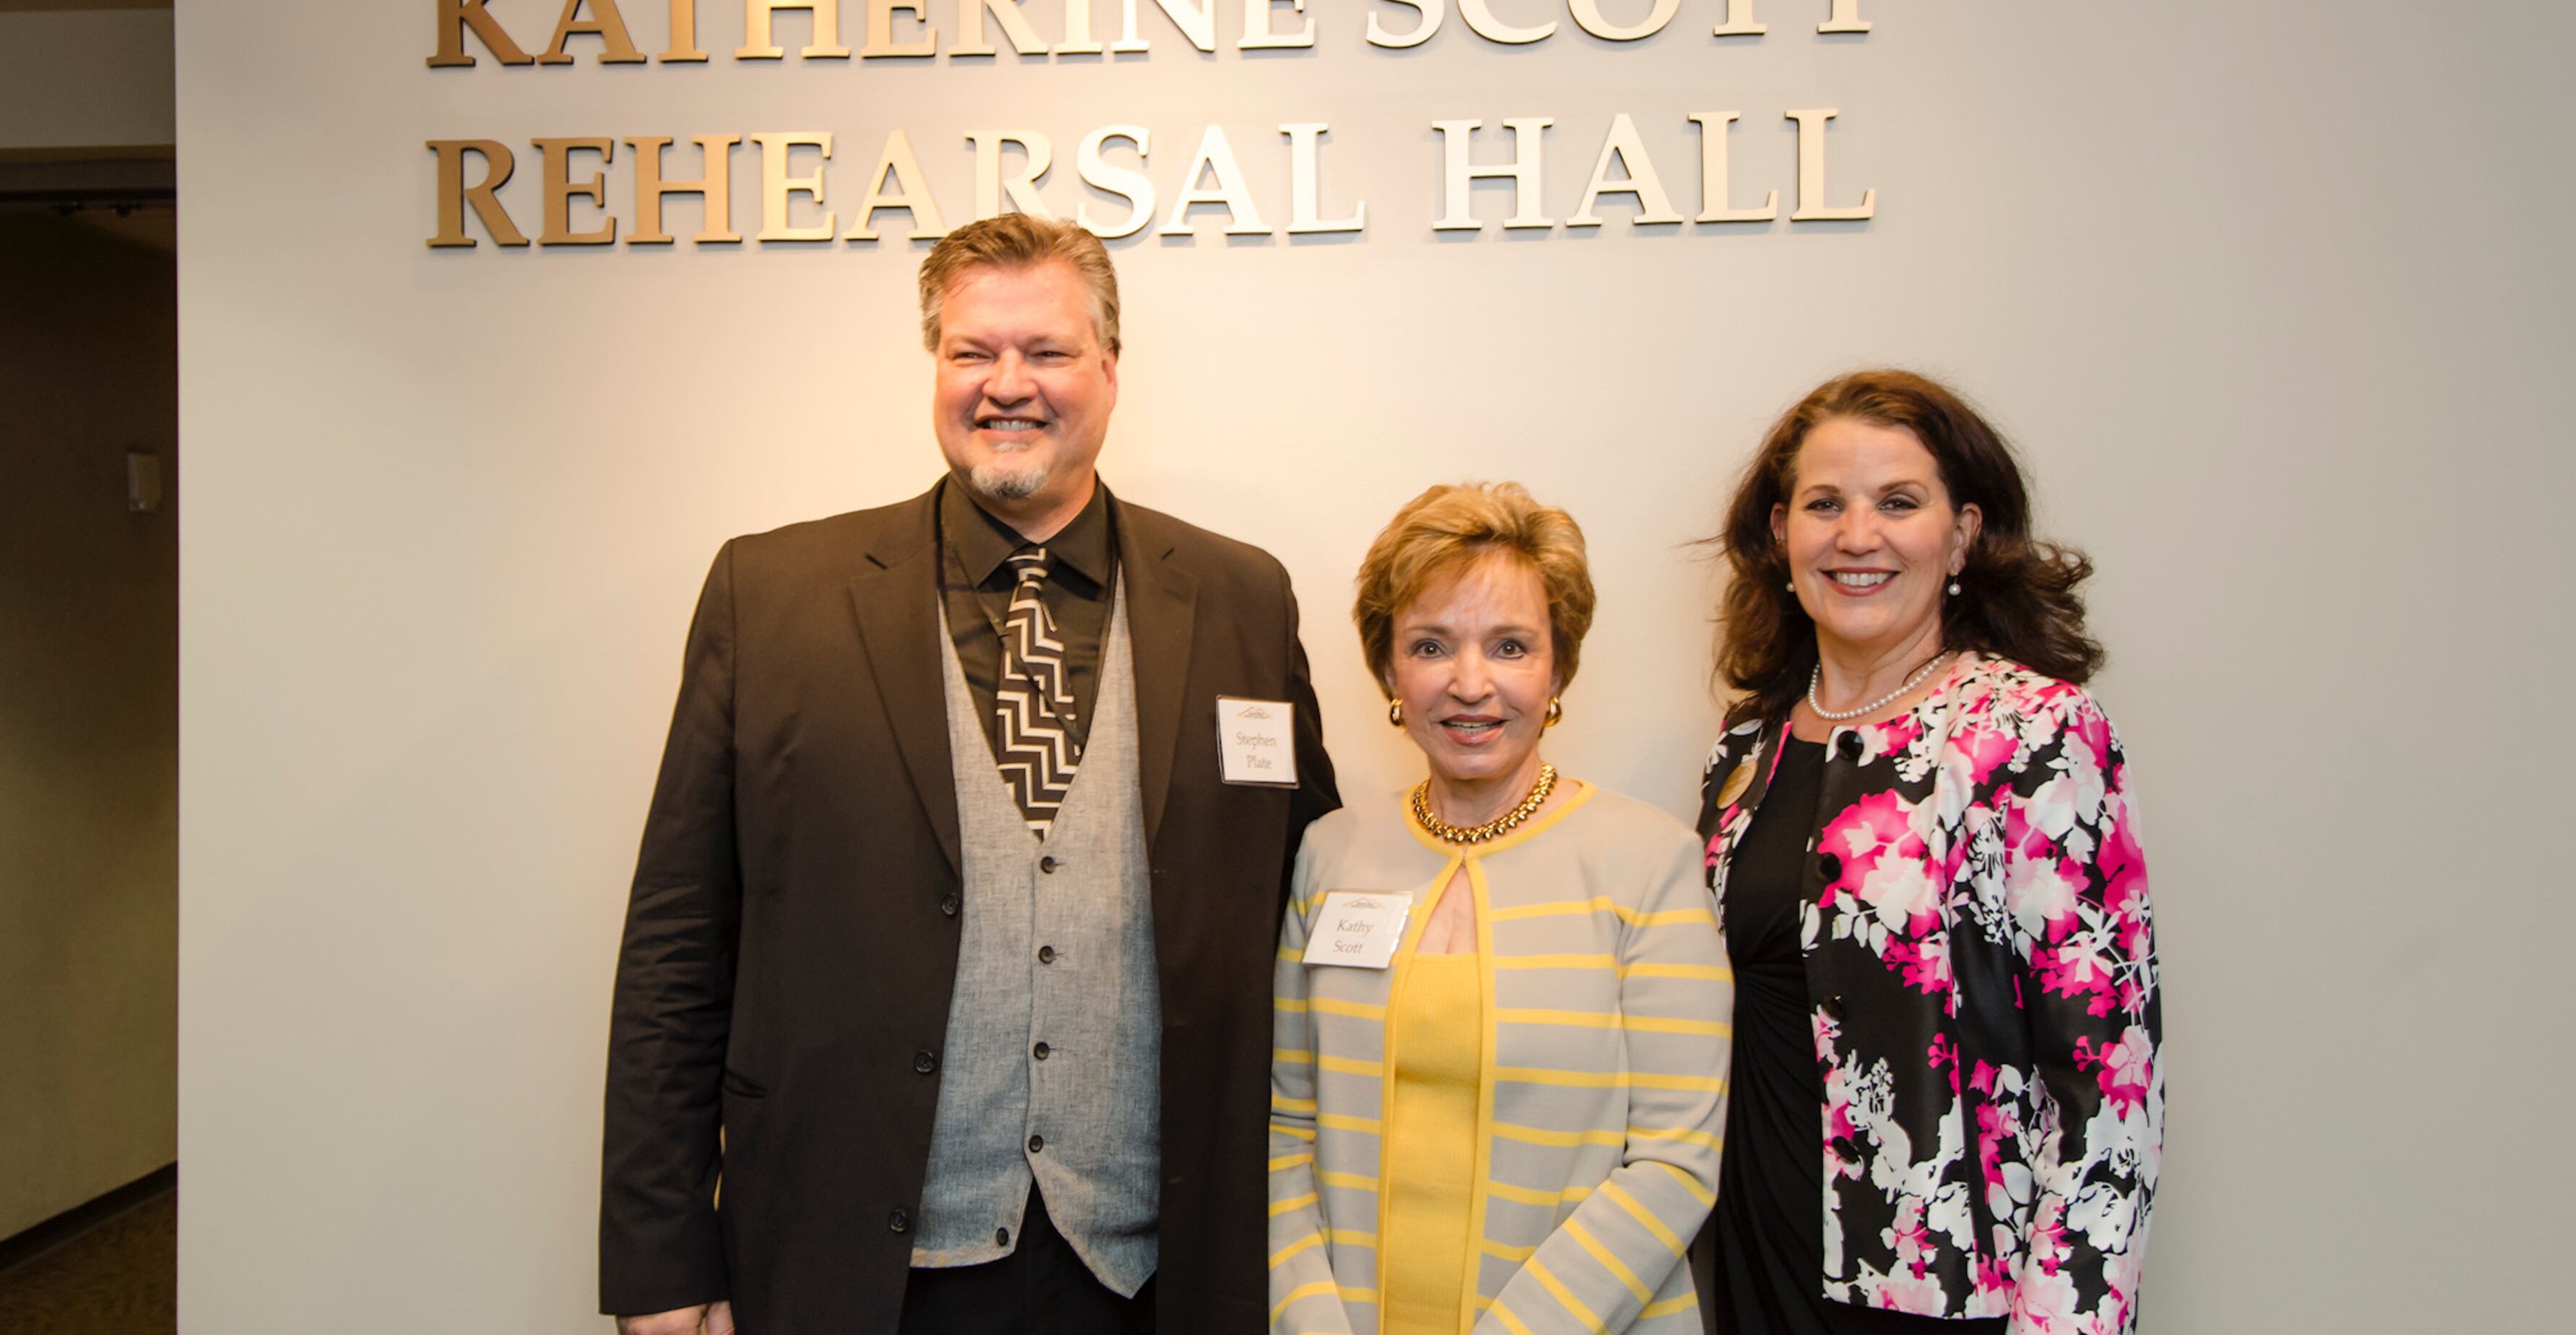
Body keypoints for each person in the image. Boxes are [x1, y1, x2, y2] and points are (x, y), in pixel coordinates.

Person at [600, 213, 1342, 1335]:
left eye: (1046, 351)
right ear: (935, 366)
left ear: (1110, 369)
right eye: (971, 352)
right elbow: (678, 941)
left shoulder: (1244, 600)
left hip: (1154, 1273)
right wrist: (661, 1256)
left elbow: (1302, 899)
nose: (1007, 385)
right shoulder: (772, 596)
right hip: (856, 1263)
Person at [1692, 371, 2163, 1335]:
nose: (1857, 536)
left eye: (1899, 503)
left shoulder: (2032, 734)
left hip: (1940, 1293)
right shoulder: (1744, 751)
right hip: (1748, 1267)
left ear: (1963, 535)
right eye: (1825, 504)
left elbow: (2110, 1086)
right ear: (1780, 533)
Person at [1269, 483, 1730, 1335]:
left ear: (1558, 670)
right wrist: (1311, 1320)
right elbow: (1285, 1127)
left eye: (1510, 646)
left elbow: (1675, 1161)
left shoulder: (1649, 862)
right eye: (1432, 645)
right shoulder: (1331, 852)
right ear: (1390, 671)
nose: (1471, 683)